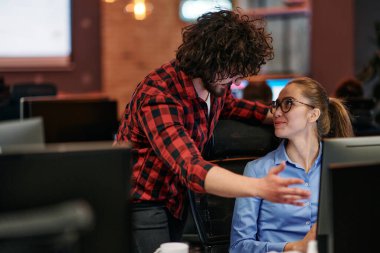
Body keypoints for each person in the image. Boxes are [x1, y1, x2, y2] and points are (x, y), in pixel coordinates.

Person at [115, 10, 310, 253]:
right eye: (233, 73)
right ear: (209, 61)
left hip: (175, 199)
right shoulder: (159, 95)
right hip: (142, 203)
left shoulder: (214, 85)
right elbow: (190, 166)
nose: (237, 82)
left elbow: (233, 106)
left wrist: (280, 115)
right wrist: (259, 188)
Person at [230, 77, 354, 253]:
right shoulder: (257, 170)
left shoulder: (339, 165)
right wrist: (294, 247)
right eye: (277, 104)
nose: (277, 112)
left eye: (288, 103)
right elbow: (238, 247)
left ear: (313, 114)